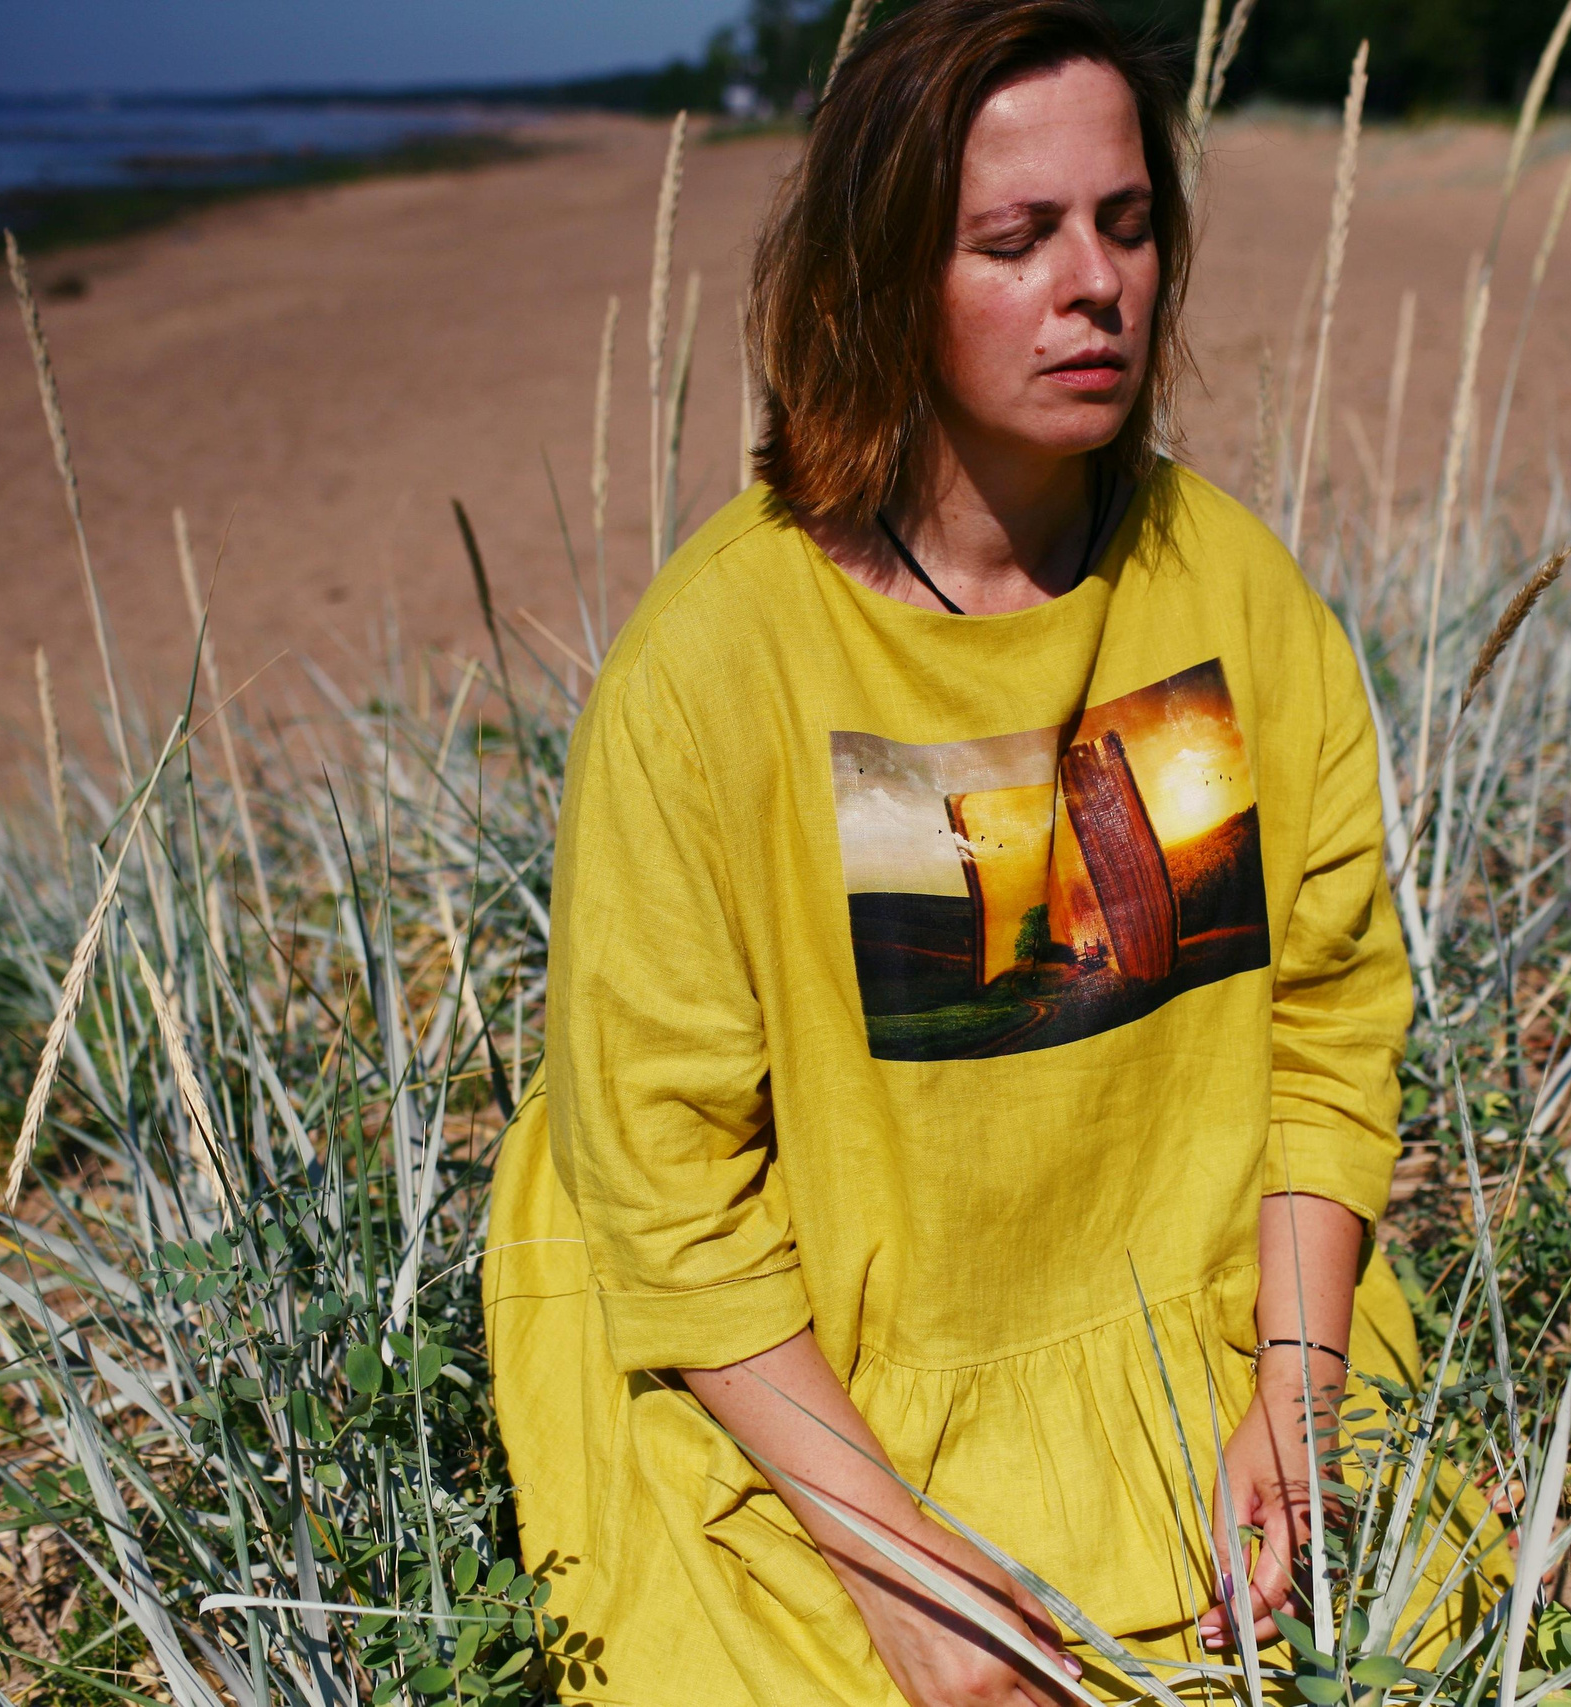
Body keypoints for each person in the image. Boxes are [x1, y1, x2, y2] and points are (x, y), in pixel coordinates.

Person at [484, 4, 1496, 1700]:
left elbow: (1331, 1027)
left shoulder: (1232, 590)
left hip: (1194, 1318)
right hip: (809, 1375)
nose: (1093, 283)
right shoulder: (714, 667)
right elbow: (666, 1184)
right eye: (1014, 239)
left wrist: (1296, 1397)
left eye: (1126, 221)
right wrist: (898, 1575)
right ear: (883, 284)